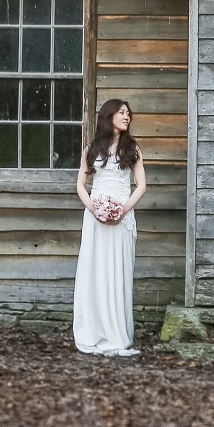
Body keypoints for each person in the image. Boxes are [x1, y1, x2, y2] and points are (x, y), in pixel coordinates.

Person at [73, 98, 147, 356]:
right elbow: (80, 185)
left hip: (121, 219)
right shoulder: (92, 149)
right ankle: (94, 331)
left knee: (117, 272)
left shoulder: (133, 149)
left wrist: (122, 210)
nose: (127, 117)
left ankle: (116, 332)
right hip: (95, 219)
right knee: (95, 272)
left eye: (129, 113)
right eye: (121, 112)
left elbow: (142, 185)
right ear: (109, 116)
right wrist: (94, 208)